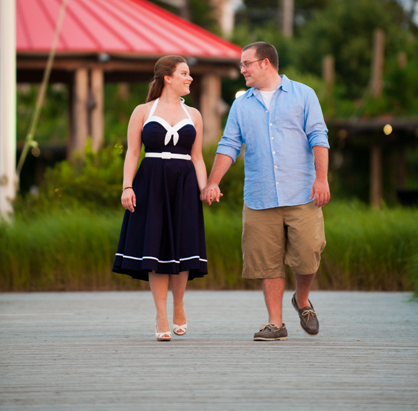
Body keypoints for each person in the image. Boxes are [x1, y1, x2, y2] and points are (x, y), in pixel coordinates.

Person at [201, 41, 331, 341]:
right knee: (266, 260)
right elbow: (229, 145)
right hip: (259, 196)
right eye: (241, 65)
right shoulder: (241, 105)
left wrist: (321, 179)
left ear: (265, 63)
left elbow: (318, 136)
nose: (242, 69)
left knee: (309, 252)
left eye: (246, 64)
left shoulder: (303, 94)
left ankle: (301, 299)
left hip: (302, 192)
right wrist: (213, 182)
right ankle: (276, 323)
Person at [113, 55, 209, 341]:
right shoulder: (142, 111)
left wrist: (204, 188)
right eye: (184, 73)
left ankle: (178, 305)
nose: (189, 78)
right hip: (151, 183)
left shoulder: (194, 114)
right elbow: (132, 153)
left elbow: (198, 157)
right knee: (154, 248)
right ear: (167, 77)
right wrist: (127, 187)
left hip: (184, 185)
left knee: (181, 247)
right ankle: (161, 314)